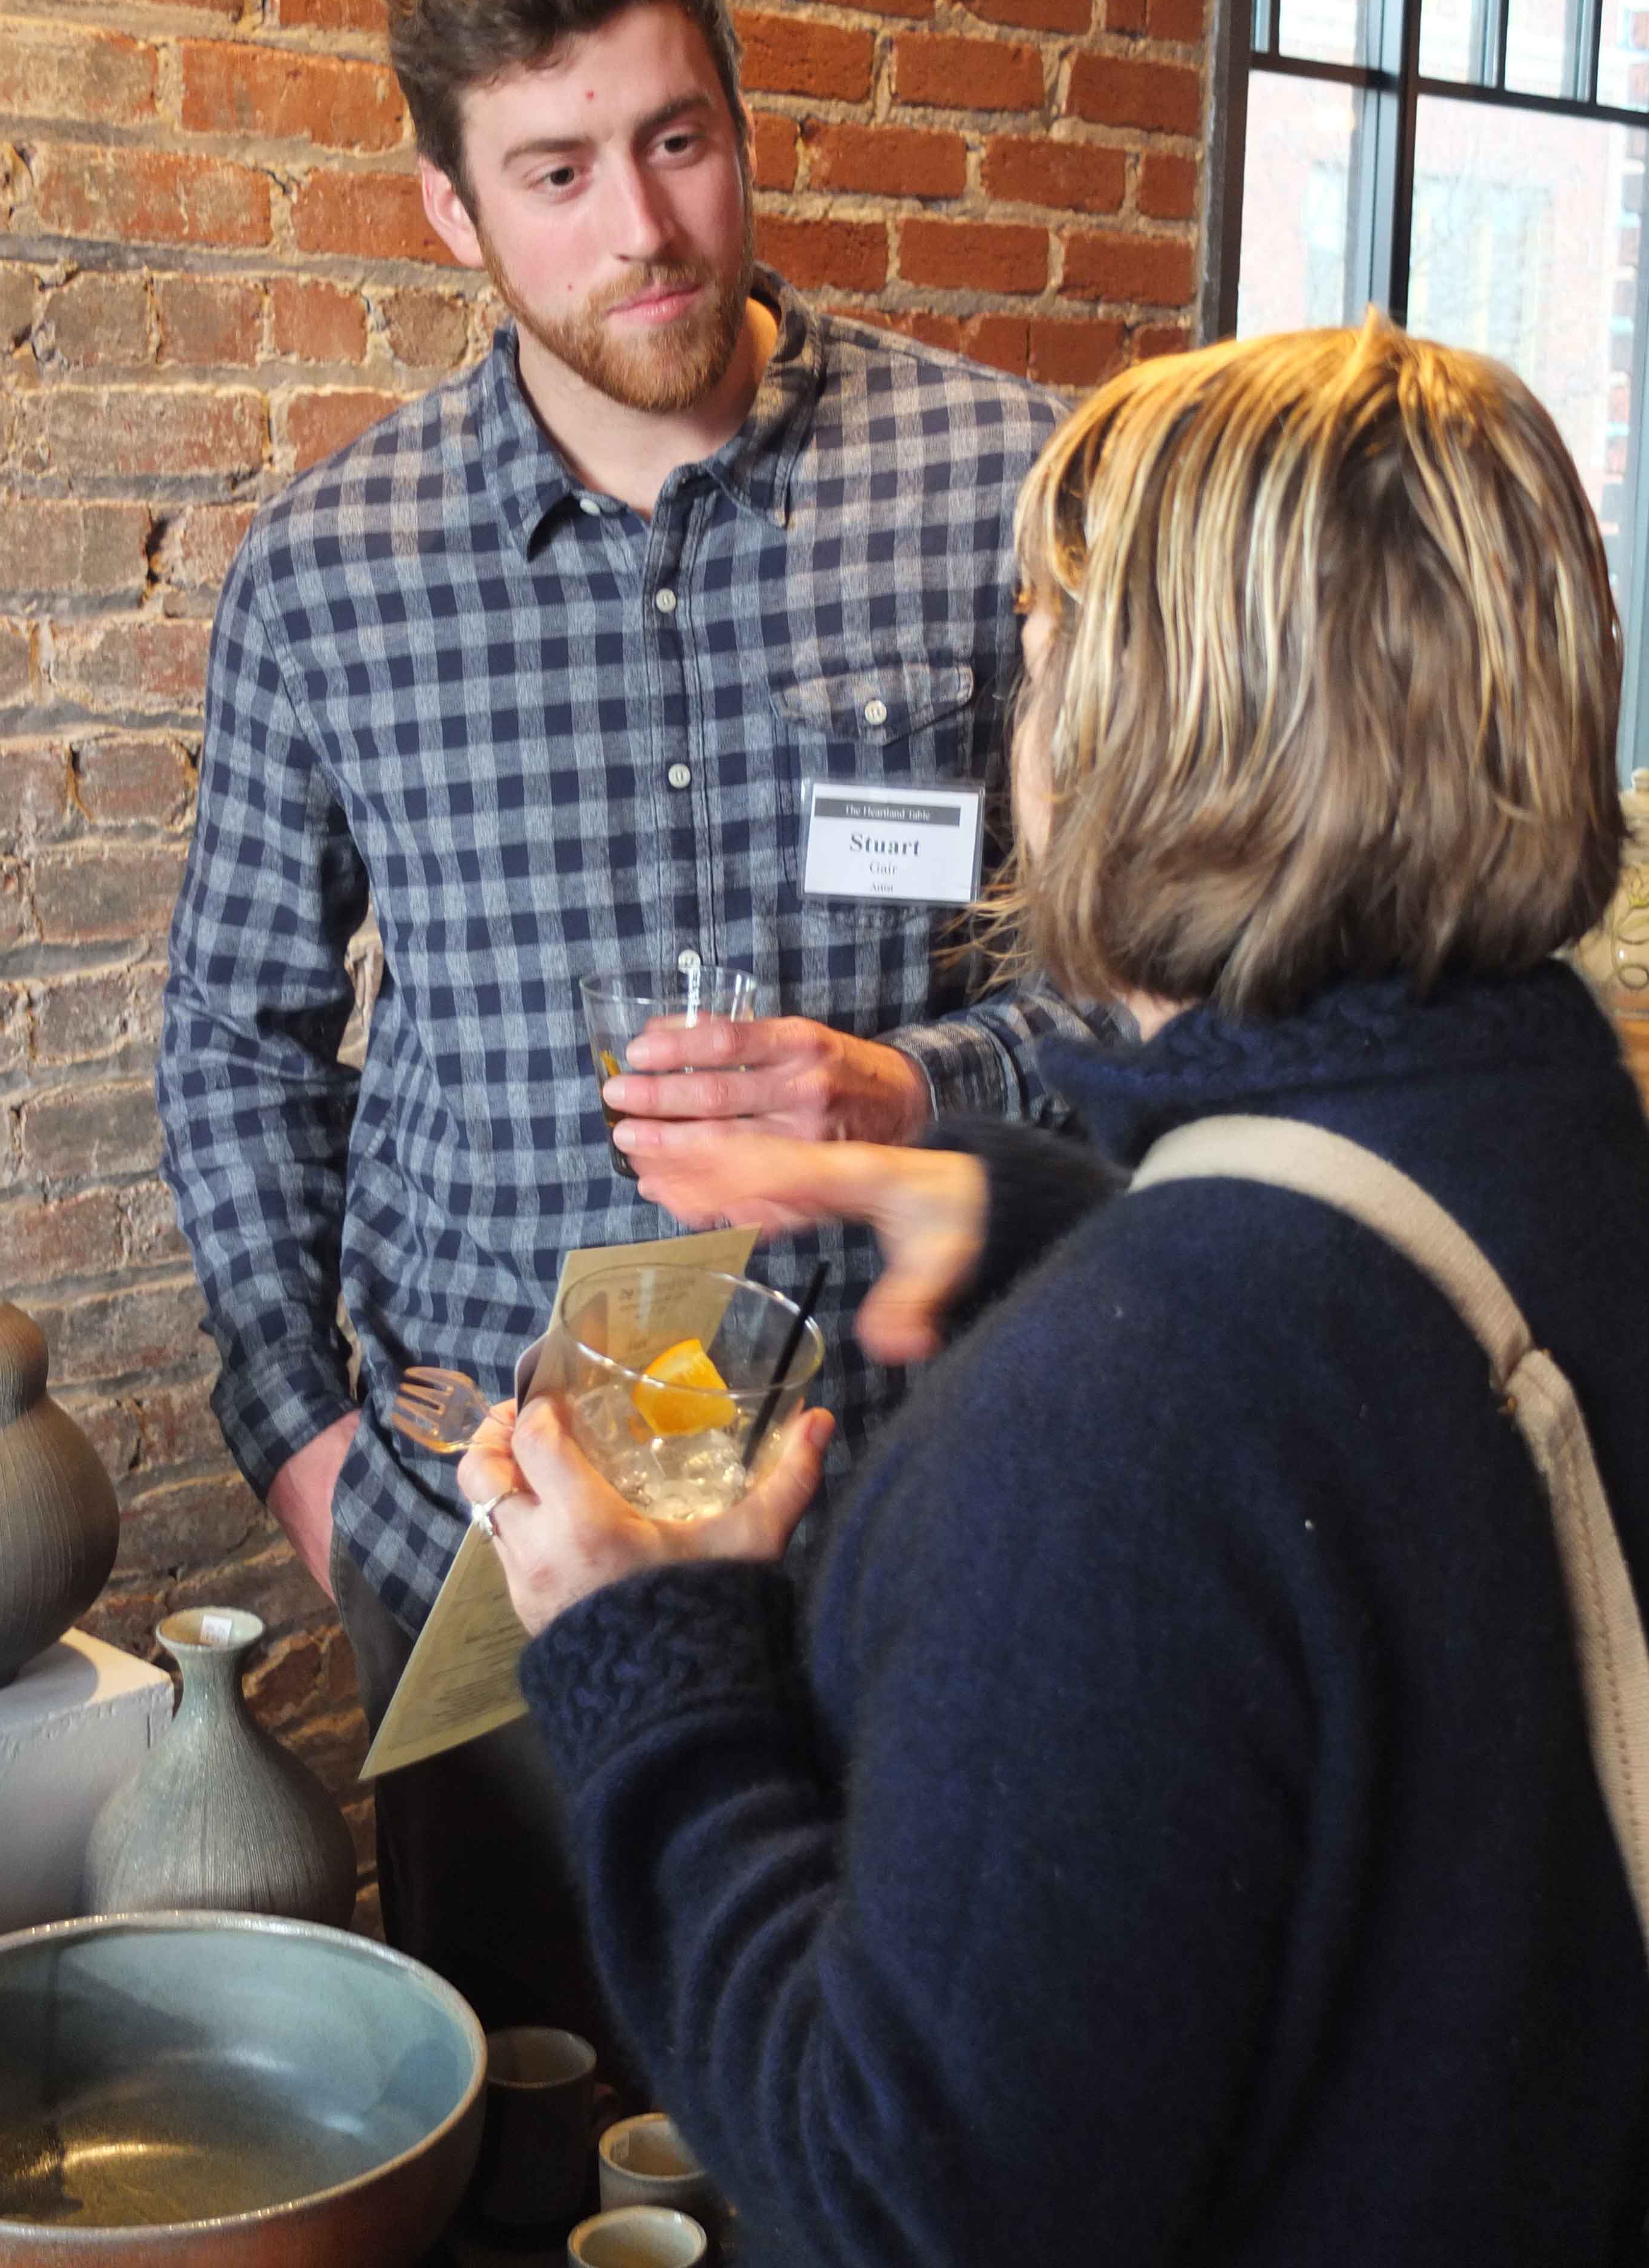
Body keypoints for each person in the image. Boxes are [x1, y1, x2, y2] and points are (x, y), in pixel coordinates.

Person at [460, 315, 1649, 2264]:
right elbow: (1353, 1385)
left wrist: (647, 1652)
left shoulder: (1121, 1413)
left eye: (1038, 655)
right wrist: (1020, 1206)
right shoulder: (1549, 1132)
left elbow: (905, 2192)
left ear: (1135, 728)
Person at [155, 0, 1110, 2046]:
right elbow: (238, 1041)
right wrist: (307, 1453)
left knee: (926, 2132)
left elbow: (1142, 989)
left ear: (745, 121)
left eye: (680, 142)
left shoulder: (999, 486)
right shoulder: (329, 578)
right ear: (451, 215)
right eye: (558, 173)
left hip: (928, 1504)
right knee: (531, 2121)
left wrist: (909, 1089)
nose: (644, 230)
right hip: (501, 1541)